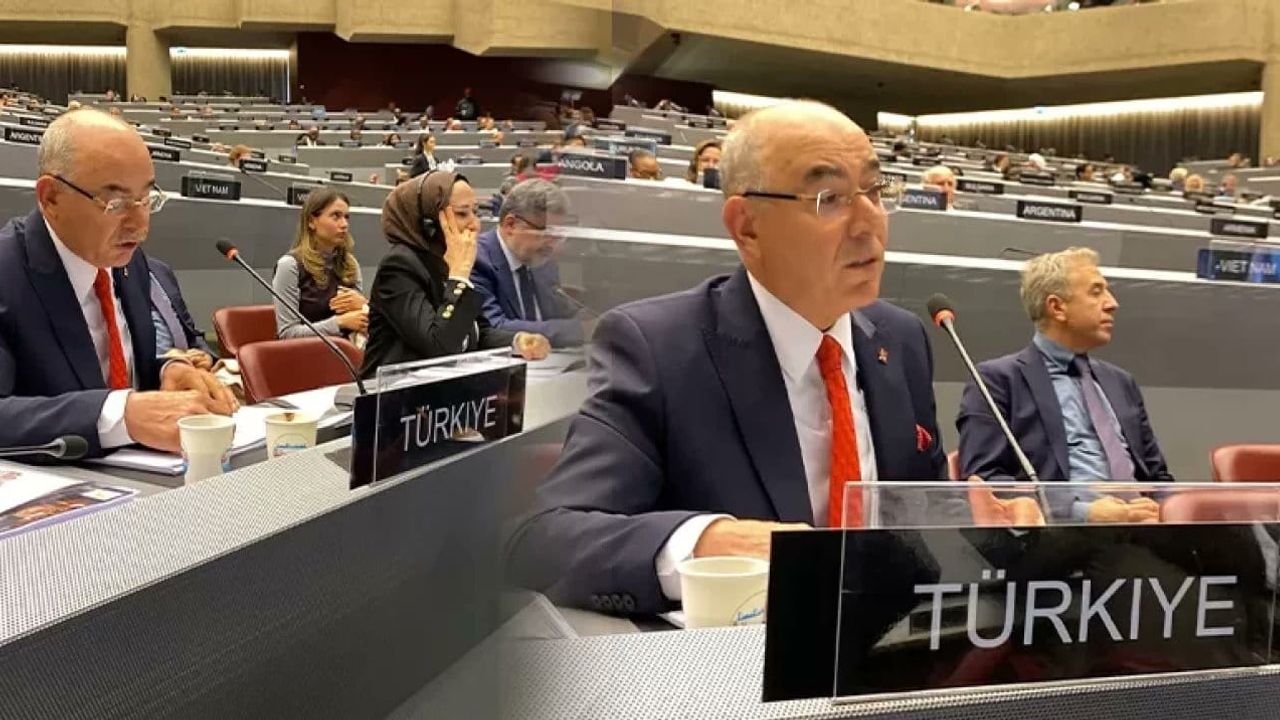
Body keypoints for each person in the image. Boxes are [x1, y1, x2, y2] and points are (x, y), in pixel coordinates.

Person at [506, 100, 951, 615]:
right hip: (743, 653)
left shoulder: (901, 339)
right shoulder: (658, 348)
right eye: (830, 198)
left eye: (875, 191)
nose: (869, 222)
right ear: (747, 227)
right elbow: (545, 540)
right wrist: (708, 544)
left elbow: (920, 510)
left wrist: (984, 527)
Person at [0, 108, 236, 457]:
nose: (140, 225)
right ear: (51, 197)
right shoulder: (7, 272)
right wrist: (121, 413)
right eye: (116, 203)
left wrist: (167, 371)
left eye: (147, 199)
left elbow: (113, 373)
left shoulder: (128, 261)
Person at [956, 247, 1172, 523]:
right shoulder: (997, 380)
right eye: (1096, 292)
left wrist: (1164, 510)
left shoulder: (1121, 382)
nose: (1112, 303)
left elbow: (1158, 477)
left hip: (1145, 530)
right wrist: (1083, 513)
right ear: (1057, 307)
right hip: (1062, 534)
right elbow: (986, 480)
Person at [360, 172, 550, 376]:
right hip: (394, 390)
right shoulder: (399, 266)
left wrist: (517, 341)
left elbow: (474, 332)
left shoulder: (446, 260)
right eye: (462, 214)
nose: (475, 224)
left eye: (475, 212)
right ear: (429, 224)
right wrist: (459, 276)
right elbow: (438, 345)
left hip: (443, 388)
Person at [471, 179, 585, 348]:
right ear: (510, 224)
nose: (552, 245)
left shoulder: (542, 260)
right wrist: (579, 330)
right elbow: (493, 327)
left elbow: (562, 311)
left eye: (557, 236)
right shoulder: (476, 259)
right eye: (545, 234)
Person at [272, 188, 367, 340]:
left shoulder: (350, 264)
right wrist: (339, 323)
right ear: (311, 221)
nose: (344, 224)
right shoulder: (290, 266)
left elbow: (362, 322)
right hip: (307, 352)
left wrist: (365, 305)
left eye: (346, 217)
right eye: (336, 216)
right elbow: (287, 334)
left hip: (347, 351)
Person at [147, 256, 215, 369]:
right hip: (155, 372)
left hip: (190, 366)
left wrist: (205, 355)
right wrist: (166, 361)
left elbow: (189, 330)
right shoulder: (118, 278)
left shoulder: (160, 269)